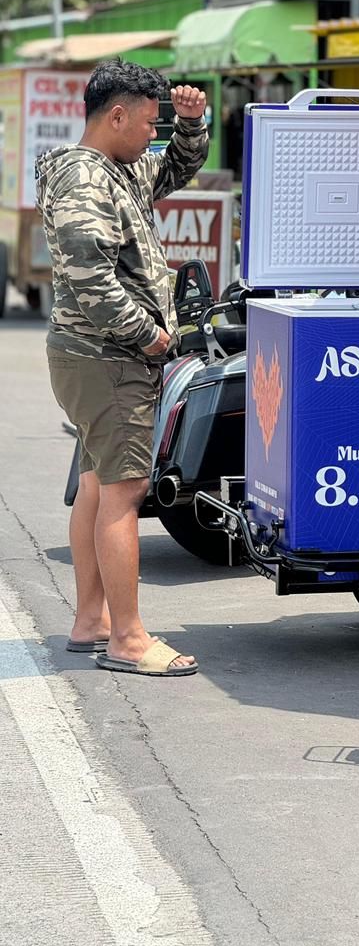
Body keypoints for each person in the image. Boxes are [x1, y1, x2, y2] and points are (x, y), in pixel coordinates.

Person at [36, 58, 209, 677]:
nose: (151, 136)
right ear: (115, 115)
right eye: (146, 123)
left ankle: (92, 621)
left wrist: (191, 125)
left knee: (96, 483)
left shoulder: (116, 167)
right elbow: (91, 281)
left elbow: (171, 169)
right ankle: (128, 639)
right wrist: (153, 337)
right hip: (107, 356)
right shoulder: (86, 181)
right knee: (125, 491)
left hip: (97, 356)